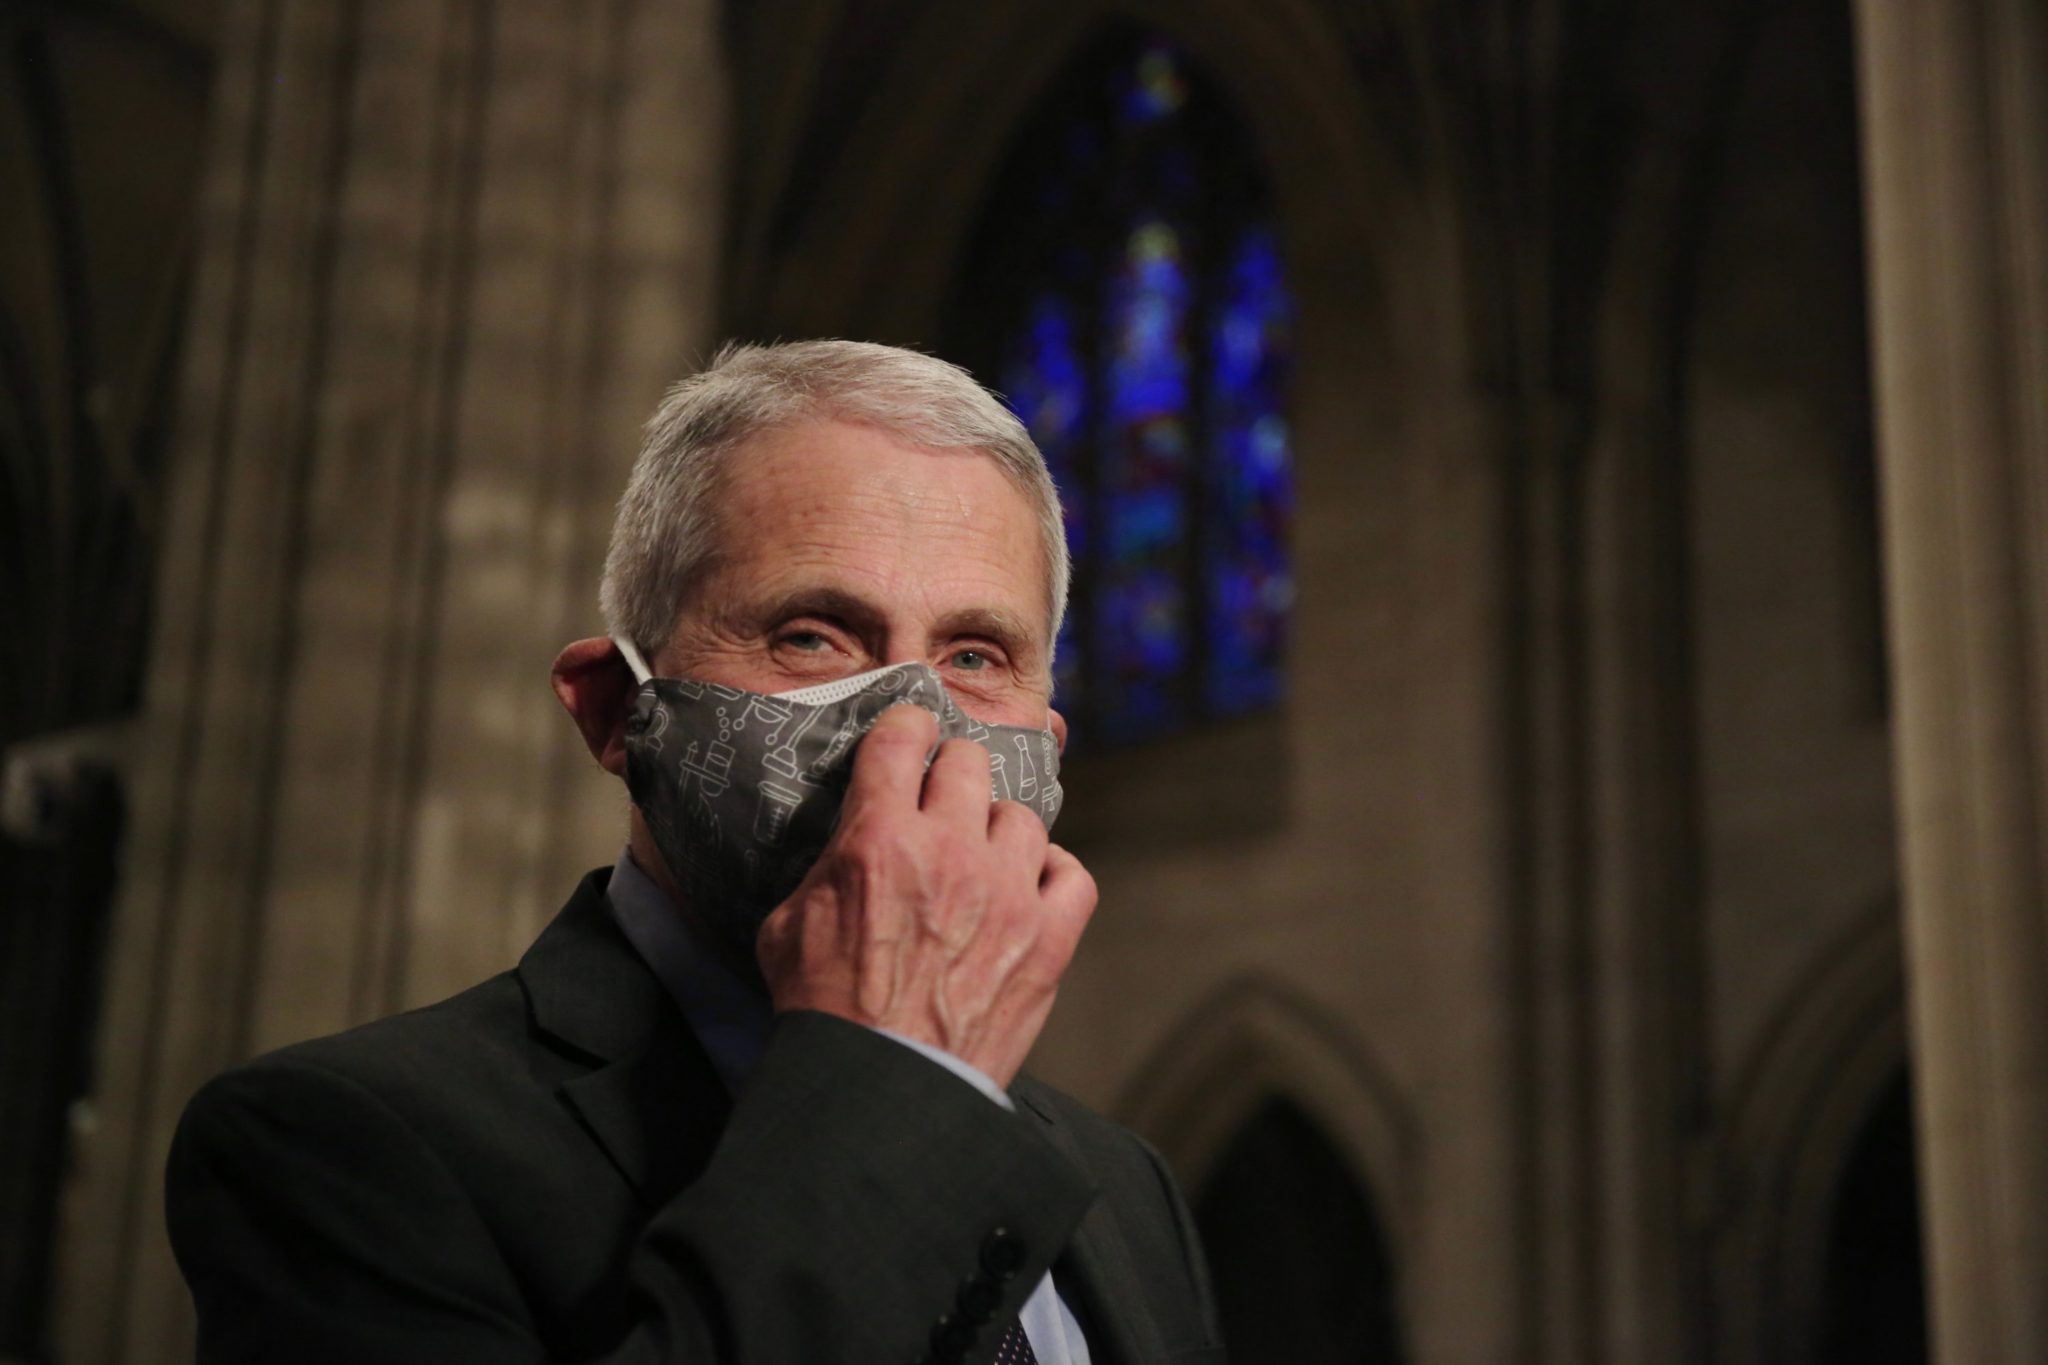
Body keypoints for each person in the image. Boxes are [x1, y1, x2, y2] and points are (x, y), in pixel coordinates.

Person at [165, 340, 1227, 1365]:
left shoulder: (1120, 1182)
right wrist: (901, 1081)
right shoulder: (348, 1149)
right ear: (617, 712)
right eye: (813, 635)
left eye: (972, 654)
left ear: (1045, 749)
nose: (909, 724)